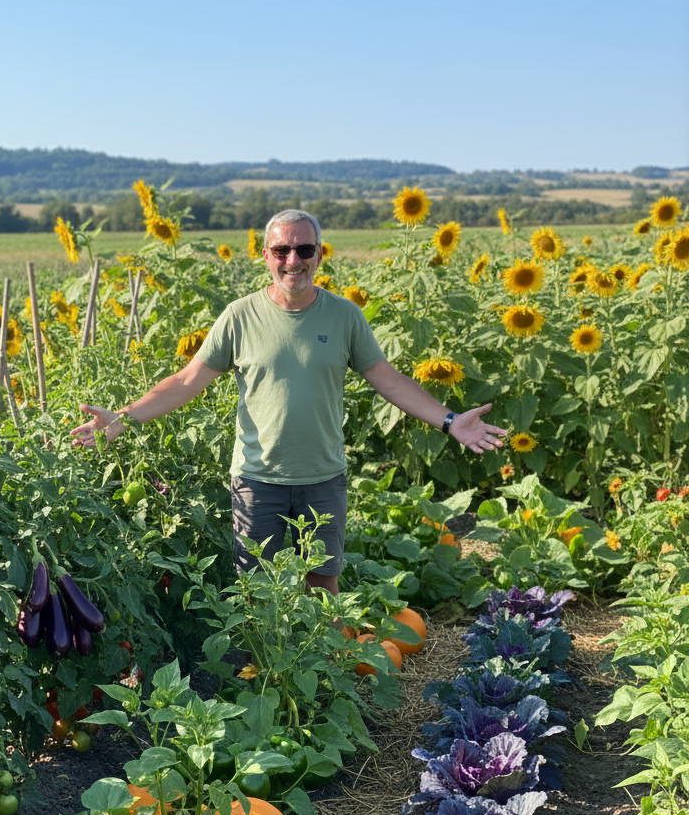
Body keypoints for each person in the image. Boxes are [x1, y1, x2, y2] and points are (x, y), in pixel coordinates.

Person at [70, 209, 506, 594]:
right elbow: (187, 380)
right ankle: (265, 680)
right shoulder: (240, 316)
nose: (292, 260)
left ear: (319, 255)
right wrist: (123, 418)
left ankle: (321, 684)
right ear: (265, 255)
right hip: (257, 480)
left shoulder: (344, 316)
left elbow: (389, 381)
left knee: (321, 585)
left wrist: (450, 421)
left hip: (323, 477)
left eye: (304, 249)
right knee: (258, 590)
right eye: (281, 250)